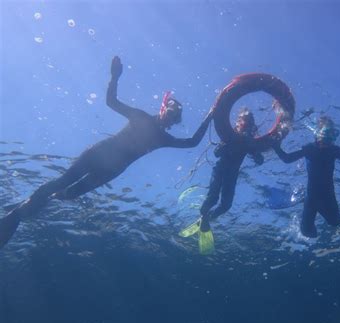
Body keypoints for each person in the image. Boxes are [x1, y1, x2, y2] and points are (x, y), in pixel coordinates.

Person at [0, 56, 213, 249]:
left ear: (174, 122)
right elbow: (111, 102)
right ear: (163, 107)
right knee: (62, 181)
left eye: (175, 116)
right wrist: (115, 77)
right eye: (171, 110)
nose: (171, 116)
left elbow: (192, 142)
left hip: (111, 170)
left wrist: (210, 116)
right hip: (98, 154)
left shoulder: (163, 138)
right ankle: (16, 215)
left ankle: (35, 207)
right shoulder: (140, 116)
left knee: (69, 194)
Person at [272, 116, 340, 238]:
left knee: (335, 223)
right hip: (311, 196)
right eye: (325, 136)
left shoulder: (333, 151)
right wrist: (275, 146)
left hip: (328, 195)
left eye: (330, 138)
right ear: (318, 135)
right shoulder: (309, 149)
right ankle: (305, 200)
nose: (326, 143)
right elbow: (287, 159)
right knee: (308, 233)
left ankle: (314, 206)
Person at [180, 107, 265, 254]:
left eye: (248, 121)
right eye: (242, 120)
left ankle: (205, 220)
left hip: (232, 175)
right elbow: (216, 153)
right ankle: (203, 216)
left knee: (226, 205)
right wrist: (225, 143)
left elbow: (259, 160)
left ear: (251, 125)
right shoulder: (229, 135)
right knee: (212, 199)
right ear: (238, 122)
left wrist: (256, 150)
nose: (244, 123)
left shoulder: (249, 141)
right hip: (219, 170)